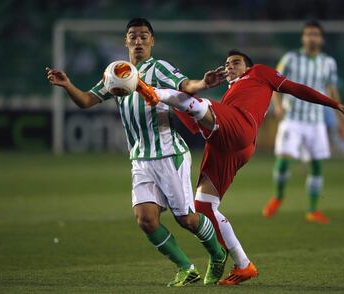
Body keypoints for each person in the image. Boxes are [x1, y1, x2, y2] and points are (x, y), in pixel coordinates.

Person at [138, 49, 344, 285]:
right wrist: (178, 107)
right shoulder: (229, 94)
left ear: (248, 67)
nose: (229, 67)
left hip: (241, 127)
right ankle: (243, 264)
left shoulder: (259, 73)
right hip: (225, 144)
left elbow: (296, 88)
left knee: (193, 100)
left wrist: (335, 104)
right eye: (226, 64)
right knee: (204, 206)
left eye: (235, 62)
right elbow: (195, 126)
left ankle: (149, 90)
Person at [45, 17, 229, 287]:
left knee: (187, 220)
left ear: (152, 41)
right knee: (146, 219)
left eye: (144, 36)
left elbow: (185, 86)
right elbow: (86, 100)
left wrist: (202, 82)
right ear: (126, 41)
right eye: (133, 36)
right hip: (140, 159)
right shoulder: (116, 73)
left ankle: (217, 254)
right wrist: (67, 84)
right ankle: (185, 267)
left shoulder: (159, 68)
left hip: (169, 155)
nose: (138, 40)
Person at [262, 20, 344, 224]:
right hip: (293, 118)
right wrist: (279, 106)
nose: (311, 37)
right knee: (283, 160)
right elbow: (273, 83)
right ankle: (278, 196)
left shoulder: (328, 63)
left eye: (315, 34)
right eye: (308, 34)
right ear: (303, 37)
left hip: (316, 121)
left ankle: (312, 210)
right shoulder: (290, 58)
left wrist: (340, 119)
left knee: (317, 165)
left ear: (321, 38)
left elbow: (332, 90)